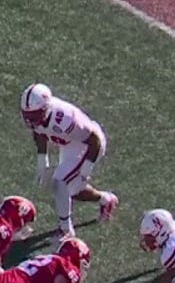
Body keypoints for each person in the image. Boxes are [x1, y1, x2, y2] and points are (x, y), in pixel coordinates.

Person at [19, 83, 118, 237]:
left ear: (46, 108)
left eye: (34, 116)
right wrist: (42, 159)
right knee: (71, 191)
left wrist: (86, 168)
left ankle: (65, 230)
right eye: (28, 115)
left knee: (60, 182)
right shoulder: (39, 116)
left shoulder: (65, 118)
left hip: (87, 145)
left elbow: (94, 140)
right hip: (70, 144)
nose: (30, 120)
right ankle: (106, 199)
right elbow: (38, 131)